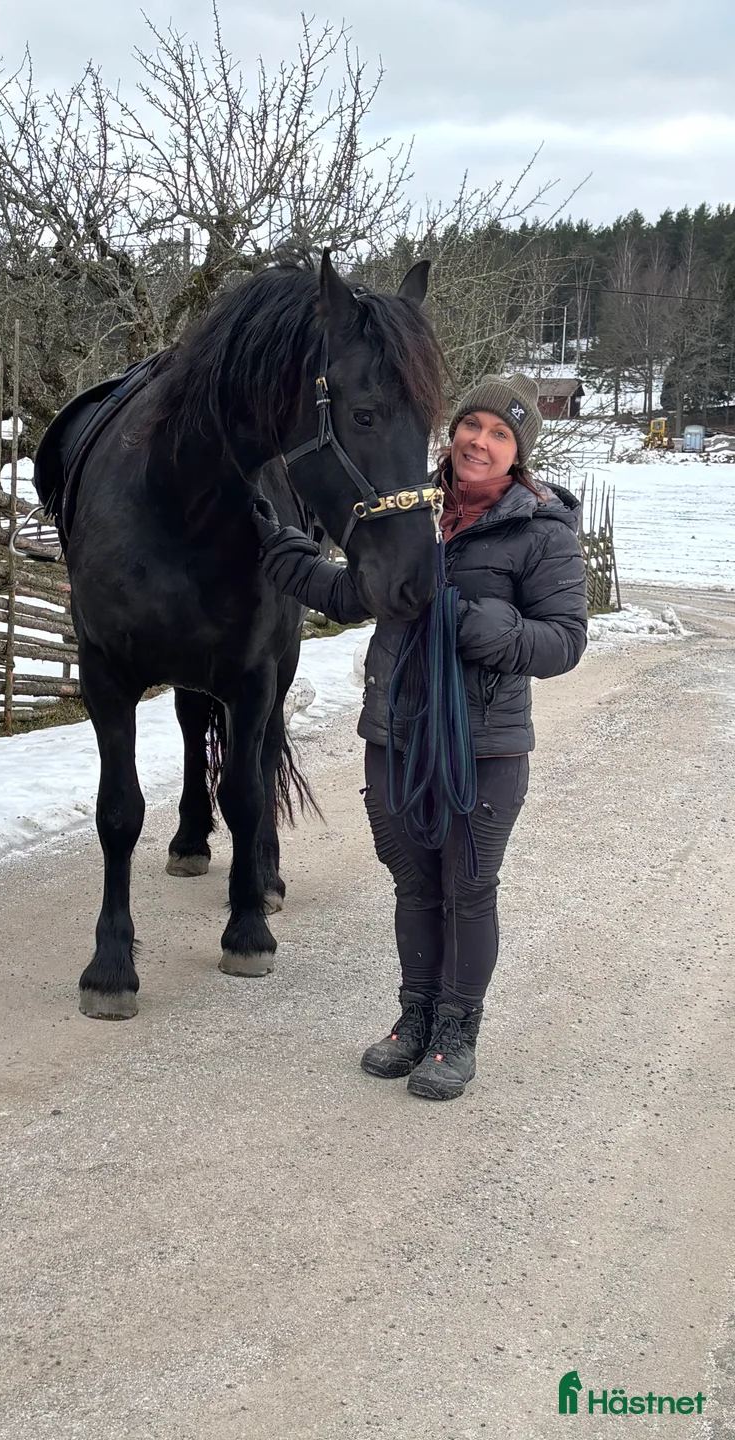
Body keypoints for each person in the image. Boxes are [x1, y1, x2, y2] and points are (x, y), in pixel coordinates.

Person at [251, 374, 588, 1100]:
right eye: (474, 425)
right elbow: (350, 594)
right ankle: (415, 1018)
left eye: (501, 434)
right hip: (397, 732)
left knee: (468, 886)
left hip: (484, 745)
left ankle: (458, 1031)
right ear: (452, 431)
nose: (481, 442)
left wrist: (480, 624)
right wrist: (278, 547)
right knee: (413, 880)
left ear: (518, 454)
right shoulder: (407, 512)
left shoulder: (543, 531)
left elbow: (564, 641)